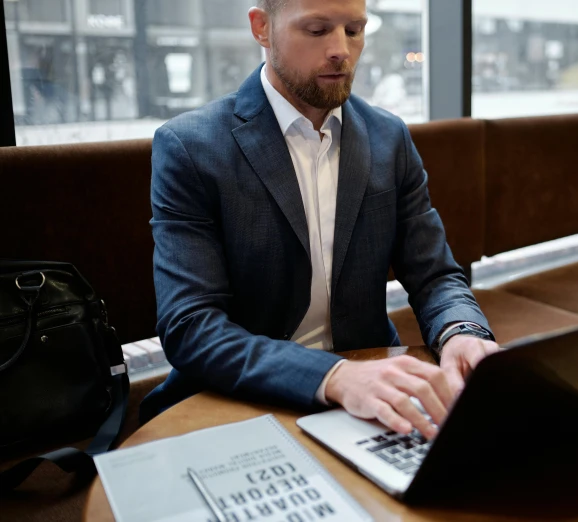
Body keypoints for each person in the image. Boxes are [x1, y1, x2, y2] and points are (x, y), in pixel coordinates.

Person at [140, 0, 499, 440]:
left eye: (354, 30)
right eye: (316, 30)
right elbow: (191, 326)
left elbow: (435, 275)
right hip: (240, 398)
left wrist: (460, 333)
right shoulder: (191, 148)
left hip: (371, 391)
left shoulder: (389, 137)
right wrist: (334, 377)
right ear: (262, 28)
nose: (341, 50)